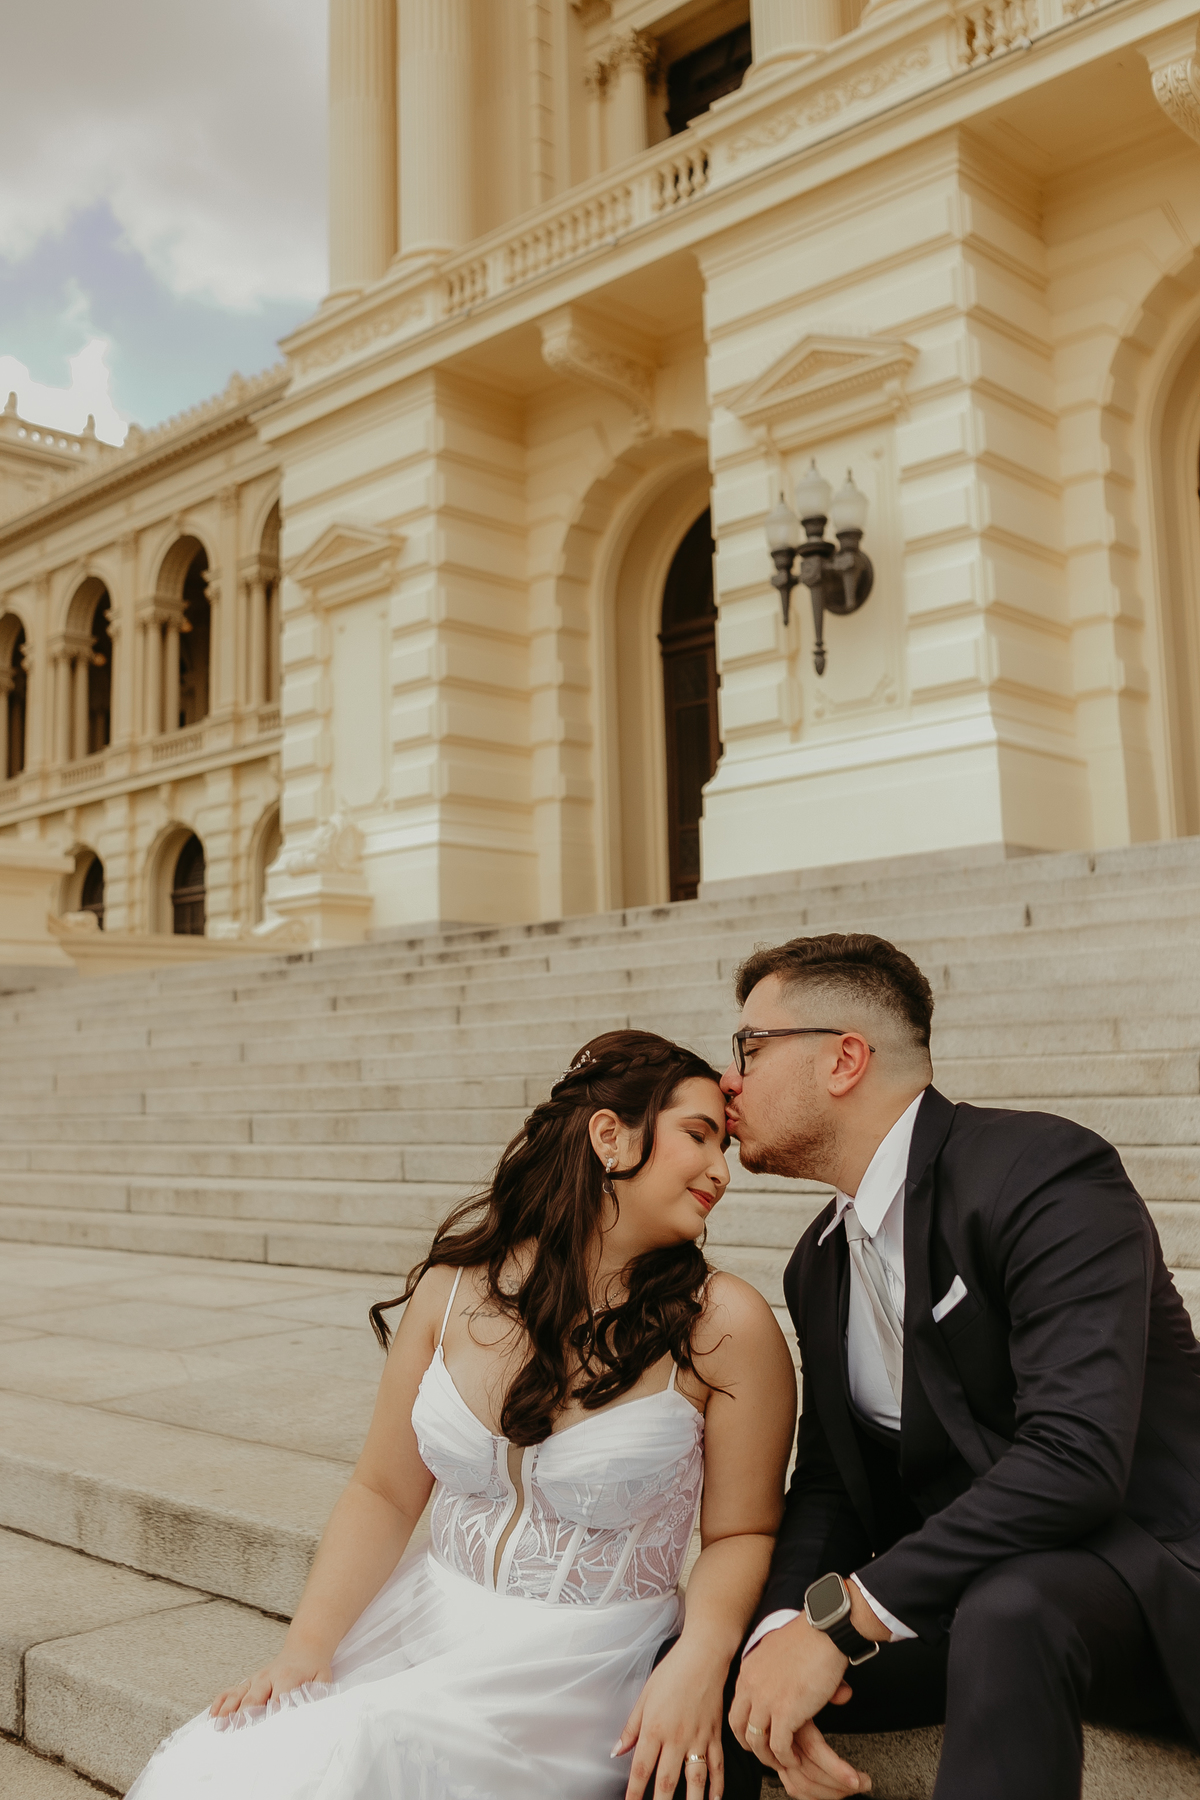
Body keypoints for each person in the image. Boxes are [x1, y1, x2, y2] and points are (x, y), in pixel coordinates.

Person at [126, 1029, 797, 1800]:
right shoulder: (452, 1291)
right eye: (699, 1136)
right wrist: (306, 1648)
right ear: (609, 1137)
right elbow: (383, 1491)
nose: (722, 1170)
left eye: (724, 1146)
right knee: (230, 1758)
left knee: (370, 1748)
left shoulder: (724, 1324)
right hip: (425, 1621)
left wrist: (699, 1659)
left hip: (584, 1670)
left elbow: (743, 1532)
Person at [717, 932, 1200, 1800]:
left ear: (844, 1060)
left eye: (750, 1048)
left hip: (1147, 1579)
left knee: (1012, 1607)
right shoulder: (817, 1261)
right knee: (710, 1676)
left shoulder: (1044, 1173)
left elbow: (1075, 1457)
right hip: (960, 1594)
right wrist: (782, 1626)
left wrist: (845, 1618)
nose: (729, 1080)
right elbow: (830, 1486)